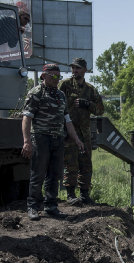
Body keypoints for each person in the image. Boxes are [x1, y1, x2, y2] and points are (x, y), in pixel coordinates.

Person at [21, 64, 84, 221]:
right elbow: (27, 117)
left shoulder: (61, 95)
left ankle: (51, 206)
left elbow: (67, 120)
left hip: (58, 139)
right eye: (54, 76)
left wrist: (76, 139)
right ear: (44, 76)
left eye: (59, 77)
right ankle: (33, 207)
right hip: (41, 138)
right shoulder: (35, 93)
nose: (57, 80)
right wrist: (27, 141)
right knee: (38, 173)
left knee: (54, 174)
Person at [59, 57, 104, 205]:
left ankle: (85, 194)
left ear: (84, 70)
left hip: (84, 134)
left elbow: (100, 110)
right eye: (73, 68)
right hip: (69, 133)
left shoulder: (90, 89)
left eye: (77, 68)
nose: (74, 70)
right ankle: (71, 195)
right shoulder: (64, 85)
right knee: (70, 164)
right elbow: (57, 105)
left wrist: (88, 104)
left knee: (86, 164)